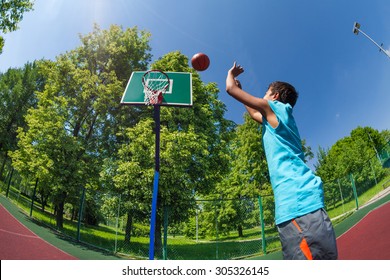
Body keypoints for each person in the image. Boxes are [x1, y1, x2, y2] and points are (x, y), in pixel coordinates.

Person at [225, 62, 338, 260]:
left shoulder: (277, 109)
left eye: (266, 93)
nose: (263, 97)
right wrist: (243, 92)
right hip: (302, 208)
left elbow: (230, 89)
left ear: (275, 97)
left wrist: (230, 74)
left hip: (298, 206)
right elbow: (253, 113)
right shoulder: (278, 119)